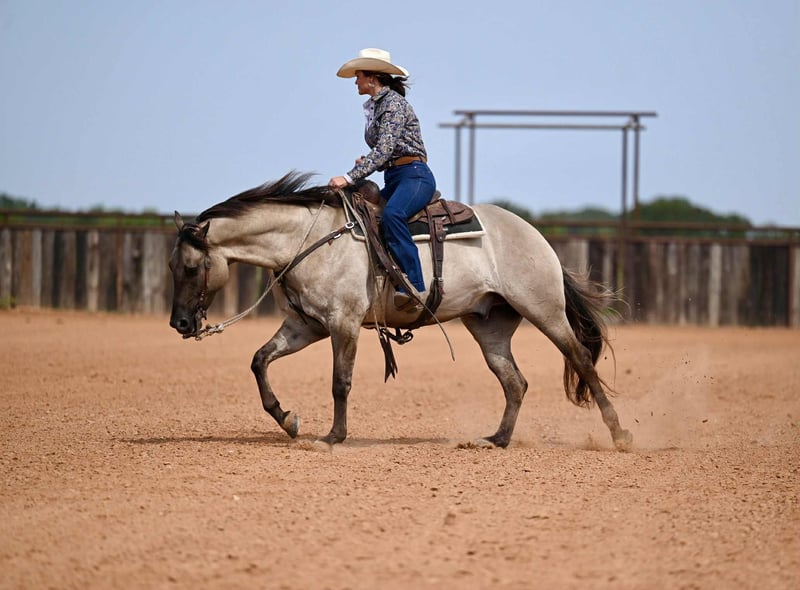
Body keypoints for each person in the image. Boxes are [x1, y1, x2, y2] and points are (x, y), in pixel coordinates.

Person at [328, 48, 436, 309]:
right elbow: (385, 153)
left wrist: (349, 176)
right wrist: (367, 162)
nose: (355, 81)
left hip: (415, 176)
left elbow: (385, 149)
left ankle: (412, 286)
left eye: (358, 76)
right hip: (396, 177)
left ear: (372, 77)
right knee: (364, 214)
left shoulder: (393, 104)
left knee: (393, 214)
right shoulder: (378, 106)